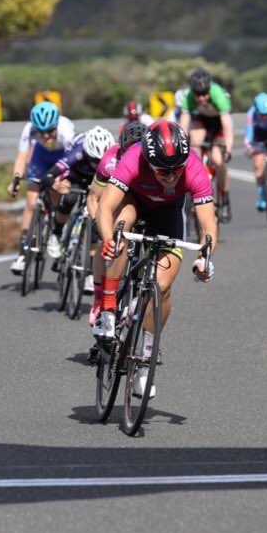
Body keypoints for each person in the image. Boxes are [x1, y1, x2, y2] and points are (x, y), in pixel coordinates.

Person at [97, 121, 218, 398]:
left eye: (177, 169)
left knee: (162, 286)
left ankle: (145, 362)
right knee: (120, 232)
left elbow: (208, 224)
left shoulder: (194, 167)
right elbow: (106, 205)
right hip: (134, 201)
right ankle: (107, 307)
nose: (171, 176)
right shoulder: (133, 158)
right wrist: (107, 240)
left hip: (168, 213)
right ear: (149, 161)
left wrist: (204, 258)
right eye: (163, 170)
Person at [86, 120, 147, 362]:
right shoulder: (110, 161)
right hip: (118, 202)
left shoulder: (151, 161)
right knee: (107, 241)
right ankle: (100, 298)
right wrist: (97, 224)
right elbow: (94, 197)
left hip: (146, 202)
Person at [7, 101, 76, 274]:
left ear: (57, 125)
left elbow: (71, 161)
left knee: (55, 194)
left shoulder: (66, 131)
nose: (45, 136)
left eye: (50, 131)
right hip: (40, 158)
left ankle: (57, 231)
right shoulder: (29, 129)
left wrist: (59, 183)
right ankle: (23, 252)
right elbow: (21, 156)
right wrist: (15, 180)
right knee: (31, 202)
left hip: (62, 160)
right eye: (41, 132)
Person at [41, 126, 116, 262]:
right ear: (87, 153)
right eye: (94, 160)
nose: (97, 164)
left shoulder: (114, 156)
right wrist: (57, 185)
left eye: (100, 161)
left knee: (97, 216)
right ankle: (57, 233)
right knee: (70, 198)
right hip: (77, 174)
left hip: (100, 179)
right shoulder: (77, 152)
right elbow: (48, 176)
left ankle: (89, 272)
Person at [178, 67, 235, 223]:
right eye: (198, 94)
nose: (201, 98)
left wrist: (227, 150)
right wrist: (181, 151)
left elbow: (228, 129)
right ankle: (197, 169)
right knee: (195, 139)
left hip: (218, 125)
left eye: (204, 93)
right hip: (201, 122)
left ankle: (224, 199)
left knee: (218, 159)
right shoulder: (188, 96)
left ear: (209, 89)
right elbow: (183, 128)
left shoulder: (218, 94)